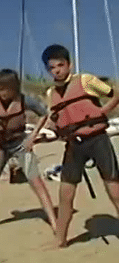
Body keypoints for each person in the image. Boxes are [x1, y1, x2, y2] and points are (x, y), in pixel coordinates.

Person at [41, 44, 119, 249]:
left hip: (98, 139)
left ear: (69, 64)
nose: (57, 70)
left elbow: (115, 95)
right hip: (74, 145)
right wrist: (47, 135)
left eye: (60, 65)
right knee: (65, 194)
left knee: (114, 190)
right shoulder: (51, 93)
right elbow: (55, 122)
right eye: (52, 68)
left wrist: (102, 112)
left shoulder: (85, 80)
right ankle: (61, 239)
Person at [0, 69, 57, 233]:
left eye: (5, 89)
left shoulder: (25, 100)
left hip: (20, 144)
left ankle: (54, 221)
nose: (2, 93)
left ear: (14, 88)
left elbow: (44, 114)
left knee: (37, 183)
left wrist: (32, 137)